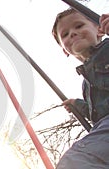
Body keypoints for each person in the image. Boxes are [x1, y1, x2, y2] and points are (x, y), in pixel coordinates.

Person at [52, 8, 109, 169]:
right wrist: (77, 105)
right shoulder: (86, 83)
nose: (72, 33)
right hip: (103, 129)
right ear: (65, 50)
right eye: (65, 34)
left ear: (99, 29)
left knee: (76, 162)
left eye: (78, 26)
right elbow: (97, 111)